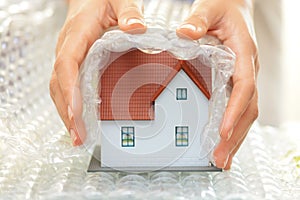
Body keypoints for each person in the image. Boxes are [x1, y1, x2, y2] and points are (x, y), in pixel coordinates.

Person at [50, 0, 259, 170]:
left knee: (241, 98)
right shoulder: (123, 79)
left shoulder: (190, 79)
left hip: (212, 29)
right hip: (112, 20)